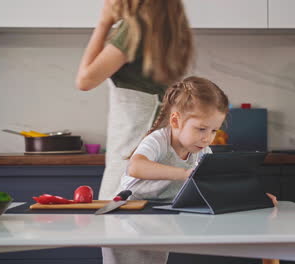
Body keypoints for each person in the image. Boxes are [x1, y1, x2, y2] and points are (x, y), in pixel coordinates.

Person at [115, 76, 278, 264]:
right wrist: (185, 174)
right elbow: (135, 167)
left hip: (159, 215)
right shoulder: (158, 140)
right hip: (129, 214)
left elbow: (216, 185)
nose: (207, 138)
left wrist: (253, 197)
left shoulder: (201, 151)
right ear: (176, 121)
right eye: (201, 129)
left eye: (214, 131)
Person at [76, 0, 194, 201]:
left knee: (118, 210)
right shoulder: (168, 27)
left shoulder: (135, 28)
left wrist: (104, 22)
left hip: (134, 138)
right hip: (156, 136)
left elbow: (85, 80)